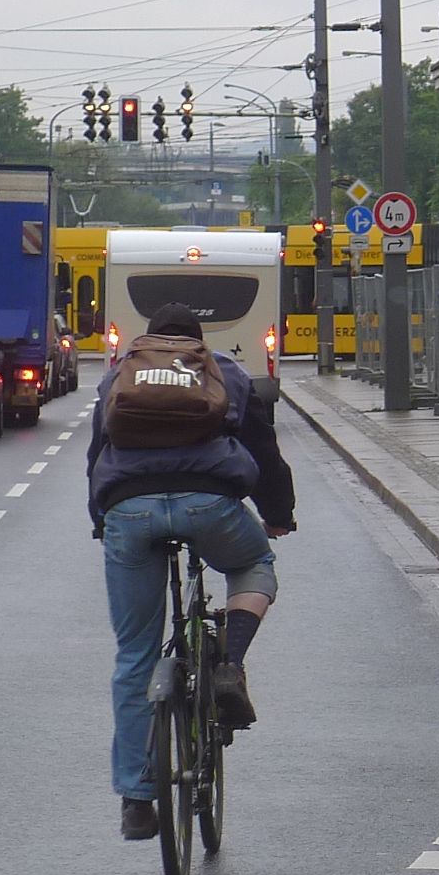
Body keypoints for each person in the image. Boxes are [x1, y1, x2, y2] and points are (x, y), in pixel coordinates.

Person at [85, 303, 295, 842]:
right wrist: (277, 515)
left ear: (149, 339)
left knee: (134, 655)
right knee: (252, 565)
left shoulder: (118, 375)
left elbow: (96, 456)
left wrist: (101, 520)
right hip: (211, 506)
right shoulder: (224, 371)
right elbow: (263, 451)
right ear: (199, 343)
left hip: (129, 512)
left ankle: (136, 797)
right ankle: (227, 661)